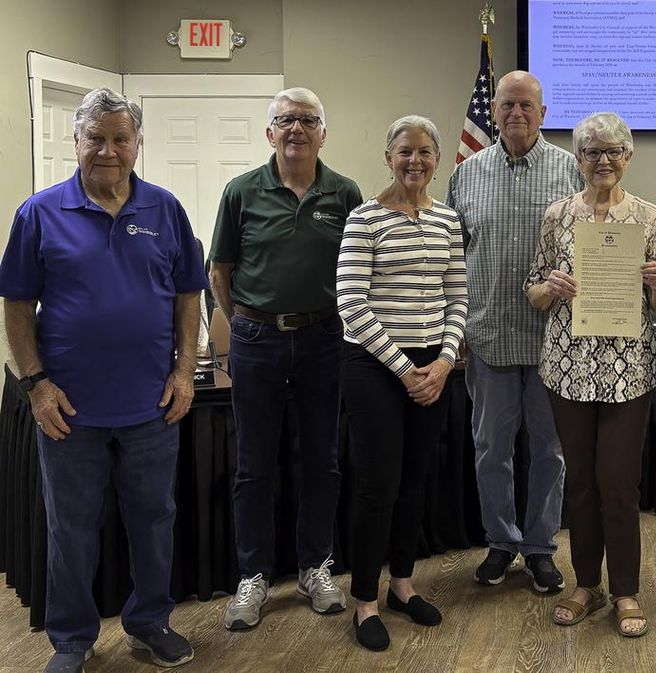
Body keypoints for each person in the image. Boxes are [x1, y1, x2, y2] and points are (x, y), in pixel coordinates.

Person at [0, 88, 205, 673]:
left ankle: (150, 623)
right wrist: (35, 384)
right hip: (68, 410)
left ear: (138, 144)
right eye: (96, 138)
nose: (109, 150)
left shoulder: (165, 210)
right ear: (77, 143)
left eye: (121, 138)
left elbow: (189, 294)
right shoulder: (39, 213)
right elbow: (17, 304)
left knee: (153, 522)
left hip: (152, 406)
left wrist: (185, 370)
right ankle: (70, 640)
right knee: (71, 530)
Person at [210, 87, 363, 630]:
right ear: (269, 132)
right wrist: (247, 324)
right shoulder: (241, 192)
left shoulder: (344, 193)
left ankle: (314, 567)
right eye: (285, 120)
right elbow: (220, 272)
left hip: (325, 339)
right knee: (253, 463)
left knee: (321, 459)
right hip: (258, 341)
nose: (296, 129)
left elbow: (358, 272)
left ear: (324, 132)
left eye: (307, 119)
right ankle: (253, 576)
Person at [524, 112, 656, 637]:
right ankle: (586, 583)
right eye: (592, 152)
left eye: (613, 151)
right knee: (582, 480)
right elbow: (533, 290)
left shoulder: (649, 216)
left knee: (618, 481)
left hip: (627, 370)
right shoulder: (556, 215)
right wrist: (552, 287)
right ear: (579, 159)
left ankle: (626, 590)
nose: (603, 161)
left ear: (628, 158)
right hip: (568, 368)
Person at [447, 71, 584, 592]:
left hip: (557, 341)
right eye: (507, 105)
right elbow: (453, 257)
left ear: (544, 113)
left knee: (550, 452)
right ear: (495, 111)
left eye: (527, 105)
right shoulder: (466, 174)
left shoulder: (572, 170)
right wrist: (453, 325)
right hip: (487, 337)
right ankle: (501, 542)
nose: (516, 114)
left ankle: (541, 547)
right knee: (491, 448)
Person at [336, 115, 468, 651]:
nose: (415, 161)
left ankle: (403, 585)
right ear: (388, 158)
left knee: (416, 480)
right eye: (405, 152)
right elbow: (350, 304)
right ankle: (365, 599)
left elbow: (458, 297)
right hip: (374, 367)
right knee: (378, 485)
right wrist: (405, 368)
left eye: (425, 153)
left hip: (432, 368)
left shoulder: (447, 221)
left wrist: (442, 363)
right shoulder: (363, 219)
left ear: (438, 161)